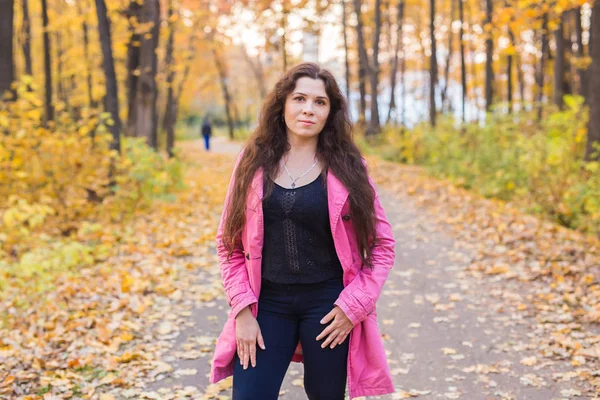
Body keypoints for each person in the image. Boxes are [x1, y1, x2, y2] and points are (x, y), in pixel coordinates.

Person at [209, 62, 396, 400]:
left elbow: (382, 246)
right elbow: (229, 246)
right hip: (266, 304)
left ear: (330, 112)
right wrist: (241, 311)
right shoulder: (252, 162)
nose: (308, 109)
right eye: (299, 99)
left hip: (329, 308)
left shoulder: (349, 167)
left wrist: (353, 306)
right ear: (282, 105)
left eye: (320, 102)